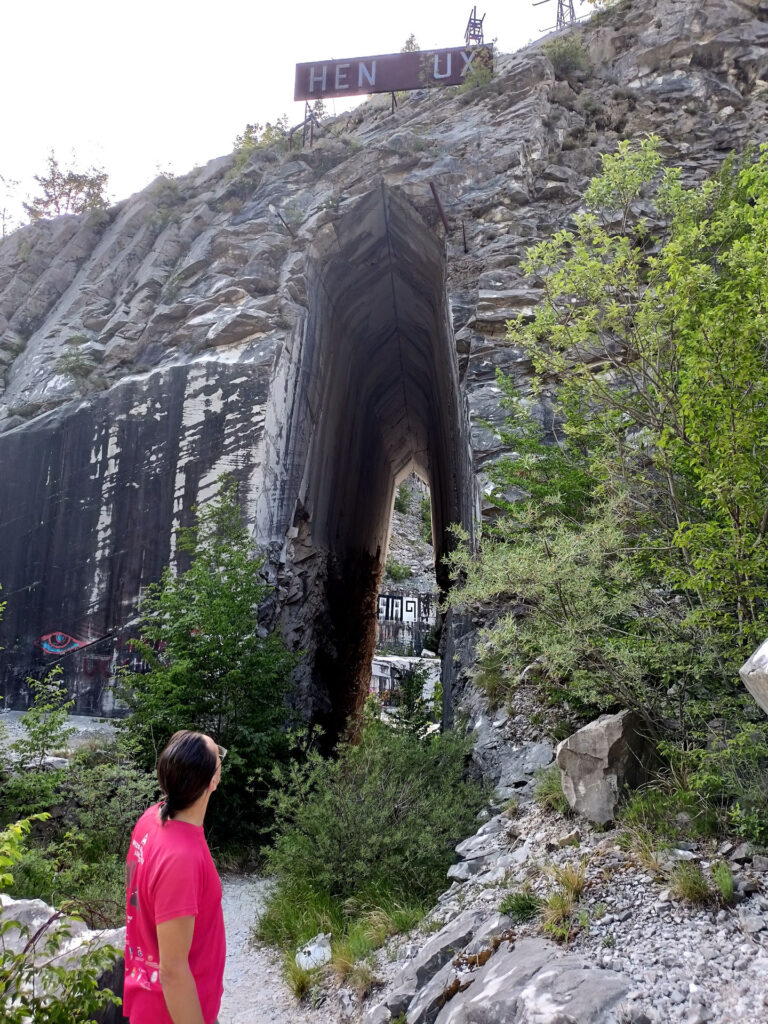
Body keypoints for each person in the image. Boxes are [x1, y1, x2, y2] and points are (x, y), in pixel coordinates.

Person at [124, 730, 226, 1024]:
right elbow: (173, 972)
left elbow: (137, 893)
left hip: (153, 997)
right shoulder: (181, 858)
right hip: (172, 1012)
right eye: (218, 757)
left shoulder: (151, 819)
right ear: (212, 781)